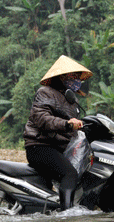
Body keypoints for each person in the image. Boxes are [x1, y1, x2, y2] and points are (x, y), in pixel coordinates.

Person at [23, 55, 93, 210]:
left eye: (78, 77)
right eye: (73, 76)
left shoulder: (70, 99)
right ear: (62, 77)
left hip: (58, 148)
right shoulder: (45, 92)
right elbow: (41, 118)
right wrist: (67, 124)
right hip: (40, 146)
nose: (77, 80)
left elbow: (74, 125)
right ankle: (67, 213)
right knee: (70, 174)